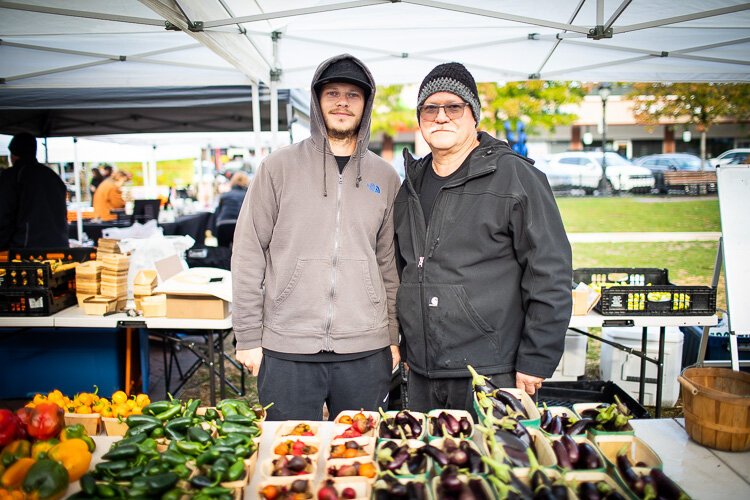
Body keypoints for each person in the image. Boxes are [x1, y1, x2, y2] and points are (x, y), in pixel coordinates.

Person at [393, 63, 572, 414]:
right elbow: (404, 270)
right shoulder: (410, 186)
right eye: (430, 108)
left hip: (491, 371)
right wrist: (408, 345)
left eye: (453, 107)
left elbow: (550, 273)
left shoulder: (515, 177)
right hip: (423, 373)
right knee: (430, 461)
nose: (441, 116)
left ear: (474, 115)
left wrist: (537, 357)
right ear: (419, 118)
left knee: (495, 464)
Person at [232, 54, 402, 421]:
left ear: (366, 104)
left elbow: (389, 263)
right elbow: (248, 252)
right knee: (285, 460)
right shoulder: (277, 167)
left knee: (361, 458)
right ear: (317, 101)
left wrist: (391, 336)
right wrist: (247, 336)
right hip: (286, 347)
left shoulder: (385, 177)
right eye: (333, 93)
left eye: (353, 95)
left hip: (366, 349)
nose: (342, 102)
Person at [0, 132, 69, 251]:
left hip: (26, 249)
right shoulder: (52, 176)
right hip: (59, 245)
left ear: (13, 154)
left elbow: (4, 214)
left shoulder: (13, 176)